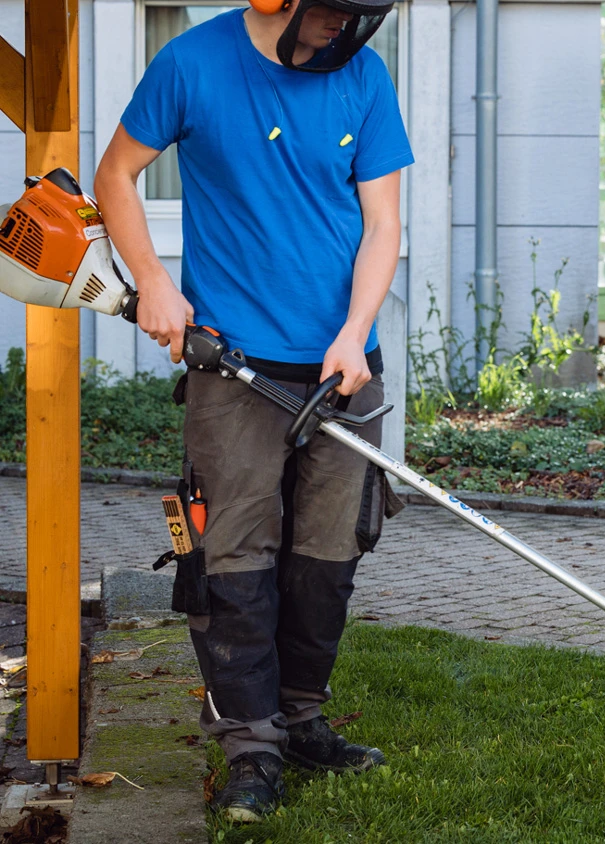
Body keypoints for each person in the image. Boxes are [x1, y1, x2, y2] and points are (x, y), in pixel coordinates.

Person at [94, 0, 412, 824]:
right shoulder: (191, 65)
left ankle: (301, 719)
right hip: (232, 367)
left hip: (342, 368)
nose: (342, 33)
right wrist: (156, 281)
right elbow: (114, 176)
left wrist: (354, 334)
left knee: (328, 553)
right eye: (334, 13)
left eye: (358, 18)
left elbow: (383, 225)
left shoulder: (364, 78)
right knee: (233, 556)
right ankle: (250, 747)